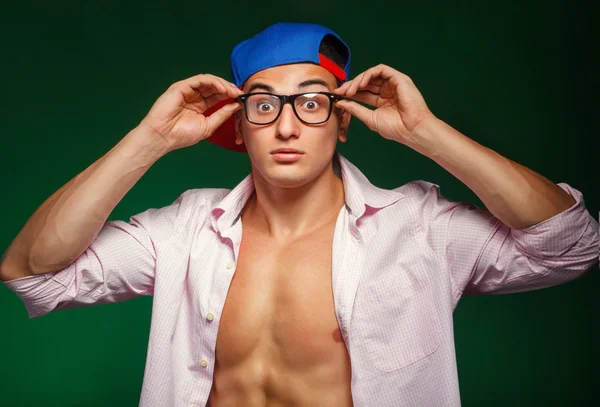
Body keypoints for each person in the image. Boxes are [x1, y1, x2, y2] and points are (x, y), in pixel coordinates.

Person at [0, 22, 598, 407]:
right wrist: (148, 138)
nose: (287, 126)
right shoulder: (184, 231)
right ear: (238, 125)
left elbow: (569, 243)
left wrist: (427, 133)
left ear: (343, 121)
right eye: (264, 106)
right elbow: (32, 270)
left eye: (312, 103)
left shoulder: (419, 228)